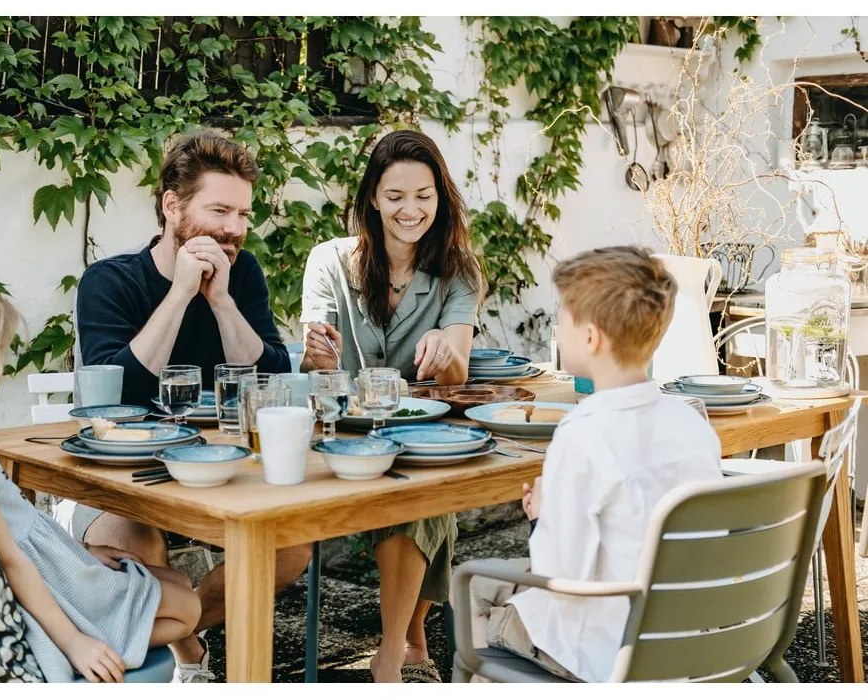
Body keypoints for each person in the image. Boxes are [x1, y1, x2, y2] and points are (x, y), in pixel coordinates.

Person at [58, 130, 311, 681]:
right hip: (125, 480)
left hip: (218, 472)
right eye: (220, 210)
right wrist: (178, 293)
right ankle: (189, 654)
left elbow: (270, 377)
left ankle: (187, 621)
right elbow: (117, 391)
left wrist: (220, 300)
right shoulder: (109, 281)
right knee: (137, 541)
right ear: (172, 206)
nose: (234, 229)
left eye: (243, 214)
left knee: (289, 549)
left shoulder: (241, 274)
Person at [0, 279, 203, 682]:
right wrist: (73, 644)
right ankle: (85, 650)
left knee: (176, 582)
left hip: (45, 565)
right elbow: (10, 560)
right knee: (187, 606)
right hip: (43, 588)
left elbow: (2, 540)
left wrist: (79, 550)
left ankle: (109, 631)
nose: (0, 367)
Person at [466, 246, 724, 682]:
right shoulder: (692, 423)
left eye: (561, 317)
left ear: (591, 338)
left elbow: (560, 574)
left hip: (603, 649)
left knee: (472, 585)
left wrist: (541, 516)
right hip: (685, 637)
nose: (555, 326)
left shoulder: (582, 433)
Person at [300, 130, 485, 682]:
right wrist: (317, 353)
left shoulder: (458, 270)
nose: (411, 209)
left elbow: (457, 373)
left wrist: (446, 349)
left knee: (427, 494)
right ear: (374, 199)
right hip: (348, 433)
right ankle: (409, 637)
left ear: (440, 198)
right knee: (431, 497)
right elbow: (318, 369)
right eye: (396, 196)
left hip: (421, 434)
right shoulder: (330, 262)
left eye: (424, 195)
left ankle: (388, 655)